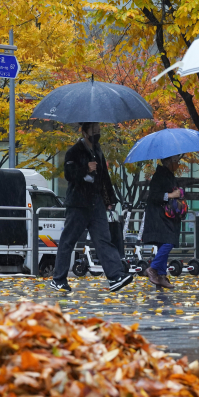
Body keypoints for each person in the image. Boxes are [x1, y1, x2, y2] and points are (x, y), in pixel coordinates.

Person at [49, 122, 133, 293]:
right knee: (68, 240)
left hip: (96, 203)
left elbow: (104, 177)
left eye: (98, 130)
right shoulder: (75, 151)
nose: (97, 133)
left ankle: (115, 276)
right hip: (78, 204)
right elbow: (68, 174)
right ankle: (58, 279)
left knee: (103, 239)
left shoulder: (98, 150)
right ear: (85, 131)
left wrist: (109, 198)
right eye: (94, 130)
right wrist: (85, 168)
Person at [143, 154, 184, 289]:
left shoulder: (169, 174)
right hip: (158, 216)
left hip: (166, 216)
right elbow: (154, 195)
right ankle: (153, 268)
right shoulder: (160, 174)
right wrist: (171, 195)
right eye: (175, 161)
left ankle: (161, 276)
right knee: (169, 241)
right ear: (168, 161)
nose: (177, 163)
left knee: (163, 245)